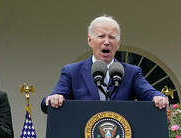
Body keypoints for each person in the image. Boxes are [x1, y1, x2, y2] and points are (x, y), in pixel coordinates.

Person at [41, 16, 169, 111]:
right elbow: (49, 101)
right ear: (90, 40)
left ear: (118, 44)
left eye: (112, 37)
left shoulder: (132, 72)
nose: (106, 42)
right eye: (101, 36)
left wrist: (158, 97)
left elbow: (149, 93)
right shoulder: (72, 71)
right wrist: (54, 98)